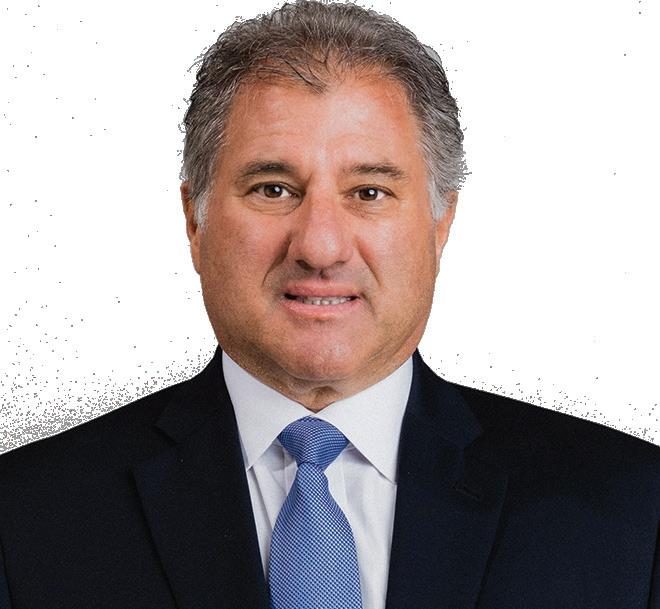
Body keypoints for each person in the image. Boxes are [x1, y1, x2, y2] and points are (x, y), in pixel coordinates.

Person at [0, 1, 658, 608]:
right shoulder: (23, 519)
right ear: (195, 221)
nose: (319, 246)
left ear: (440, 225)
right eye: (273, 188)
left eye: (369, 192)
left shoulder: (634, 512)